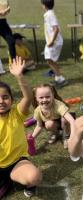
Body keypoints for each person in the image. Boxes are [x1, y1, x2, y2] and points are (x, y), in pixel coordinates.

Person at [0, 57, 42, 198]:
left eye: (5, 97)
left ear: (12, 100)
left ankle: (17, 179)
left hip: (17, 162)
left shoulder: (16, 114)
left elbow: (28, 98)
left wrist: (19, 76)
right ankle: (7, 181)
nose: (1, 101)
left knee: (34, 177)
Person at [31, 83, 75, 149]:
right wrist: (32, 138)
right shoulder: (38, 110)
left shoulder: (58, 105)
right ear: (36, 98)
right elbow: (39, 126)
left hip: (65, 122)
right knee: (49, 124)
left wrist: (73, 137)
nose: (44, 100)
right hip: (54, 123)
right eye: (41, 97)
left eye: (47, 97)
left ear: (53, 95)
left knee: (65, 120)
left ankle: (66, 136)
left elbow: (71, 120)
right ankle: (55, 133)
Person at [41, 0, 67, 87]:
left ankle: (60, 78)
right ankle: (58, 78)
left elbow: (56, 29)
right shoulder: (48, 14)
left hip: (54, 42)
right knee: (51, 60)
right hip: (52, 41)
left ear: (44, 5)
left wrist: (52, 41)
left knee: (49, 60)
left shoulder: (49, 14)